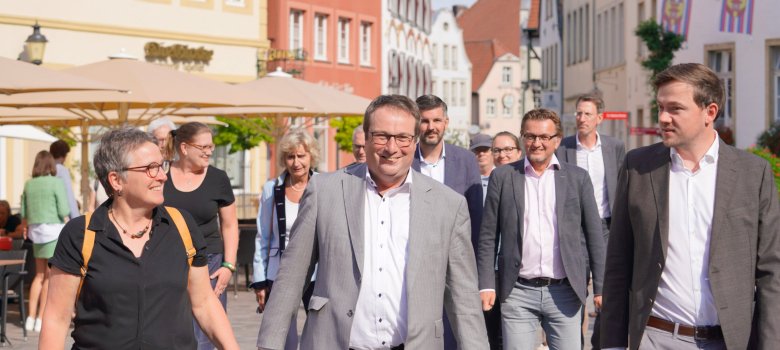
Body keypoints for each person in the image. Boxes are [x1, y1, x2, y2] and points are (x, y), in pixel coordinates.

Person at [256, 95, 489, 350]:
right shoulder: (324, 191)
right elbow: (291, 277)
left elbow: (463, 299)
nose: (392, 148)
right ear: (365, 139)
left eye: (402, 137)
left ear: (414, 141)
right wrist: (269, 345)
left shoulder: (448, 205)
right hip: (334, 342)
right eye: (381, 136)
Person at [600, 63, 780, 350]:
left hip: (730, 340)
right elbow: (619, 262)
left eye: (675, 108)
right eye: (660, 107)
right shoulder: (639, 167)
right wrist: (610, 343)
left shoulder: (751, 173)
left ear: (710, 112)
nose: (663, 118)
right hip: (655, 337)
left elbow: (772, 271)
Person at [40, 128, 238, 349]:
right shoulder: (80, 234)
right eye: (151, 168)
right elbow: (57, 319)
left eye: (161, 165)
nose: (163, 176)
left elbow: (204, 303)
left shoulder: (182, 226)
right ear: (116, 180)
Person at [478, 108, 605, 350]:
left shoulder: (578, 179)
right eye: (530, 136)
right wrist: (486, 283)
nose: (537, 143)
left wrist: (601, 287)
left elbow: (594, 236)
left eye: (544, 137)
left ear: (557, 140)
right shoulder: (503, 177)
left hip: (565, 292)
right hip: (517, 291)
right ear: (523, 138)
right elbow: (487, 236)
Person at [555, 94, 625, 349]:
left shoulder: (614, 147)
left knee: (607, 293)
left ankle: (600, 343)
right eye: (578, 113)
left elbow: (621, 186)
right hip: (575, 231)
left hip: (606, 229)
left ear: (600, 118)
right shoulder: (563, 148)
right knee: (575, 292)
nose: (581, 118)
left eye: (586, 114)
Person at [162, 122, 238, 350]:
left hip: (210, 262)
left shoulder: (218, 178)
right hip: (167, 262)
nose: (209, 152)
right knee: (169, 328)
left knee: (206, 334)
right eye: (203, 147)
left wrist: (228, 266)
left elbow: (230, 224)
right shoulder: (161, 175)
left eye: (211, 147)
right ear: (184, 148)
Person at [251, 129, 320, 350]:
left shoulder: (324, 185)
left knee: (319, 334)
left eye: (301, 155)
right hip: (280, 270)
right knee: (281, 337)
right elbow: (263, 236)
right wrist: (260, 280)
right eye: (291, 156)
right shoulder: (272, 188)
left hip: (317, 272)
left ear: (312, 156)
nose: (296, 162)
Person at [20, 150, 70, 333]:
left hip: (36, 232)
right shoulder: (55, 183)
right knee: (50, 276)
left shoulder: (29, 184)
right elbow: (63, 208)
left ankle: (30, 318)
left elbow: (24, 212)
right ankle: (41, 318)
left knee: (39, 276)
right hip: (53, 231)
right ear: (51, 165)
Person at [50, 140, 80, 219]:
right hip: (57, 219)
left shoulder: (45, 170)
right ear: (64, 155)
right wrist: (76, 219)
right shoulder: (62, 171)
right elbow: (69, 196)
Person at [470, 133, 494, 205]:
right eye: (477, 150)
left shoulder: (502, 176)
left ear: (493, 151)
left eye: (485, 149)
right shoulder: (466, 179)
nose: (481, 153)